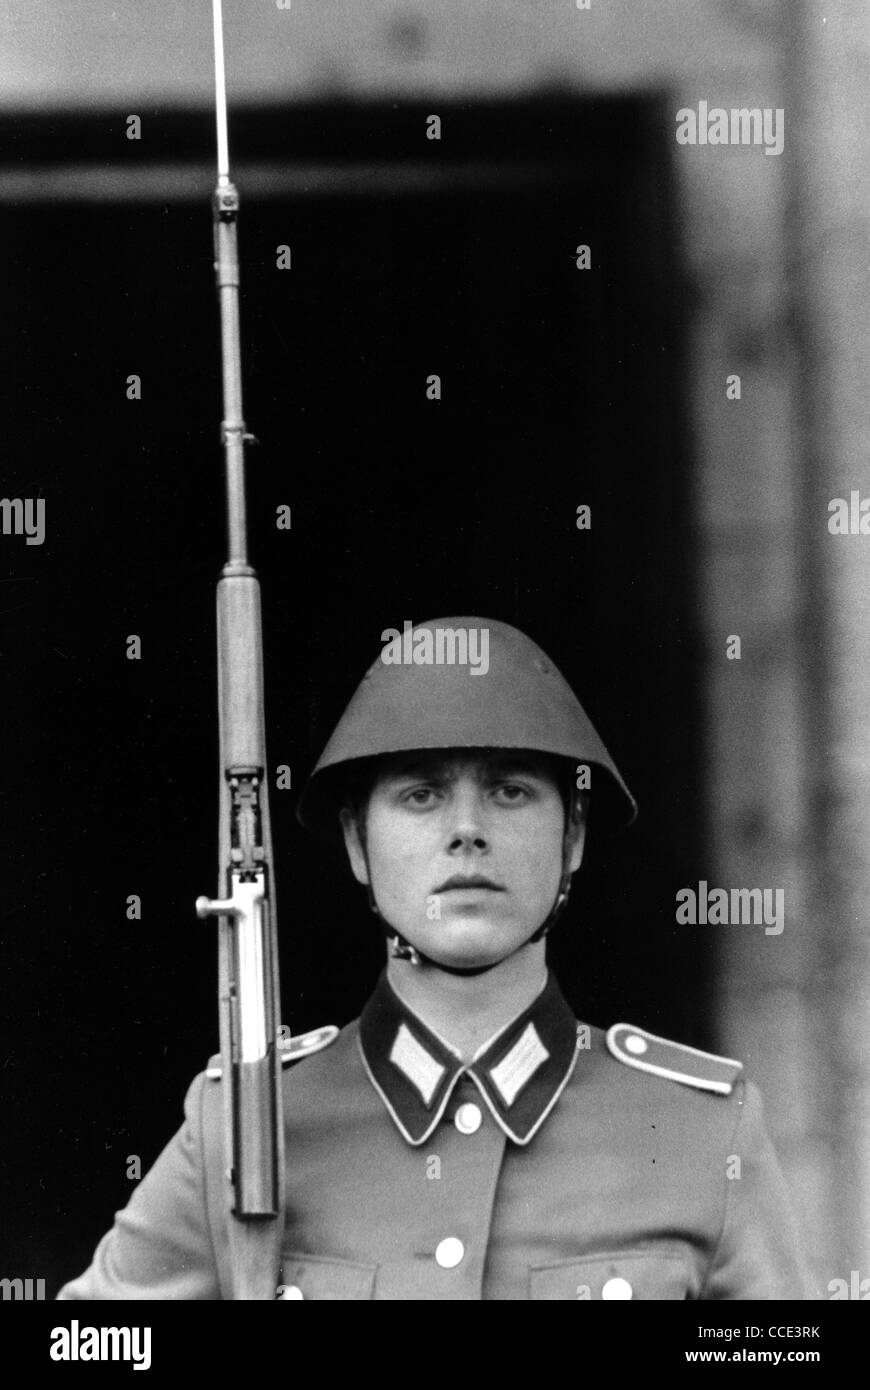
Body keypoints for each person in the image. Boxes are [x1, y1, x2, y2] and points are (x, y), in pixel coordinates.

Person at [57, 616, 809, 1300]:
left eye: (510, 791)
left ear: (573, 835)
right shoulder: (242, 1129)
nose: (467, 831)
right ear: (357, 842)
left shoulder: (698, 1134)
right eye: (421, 795)